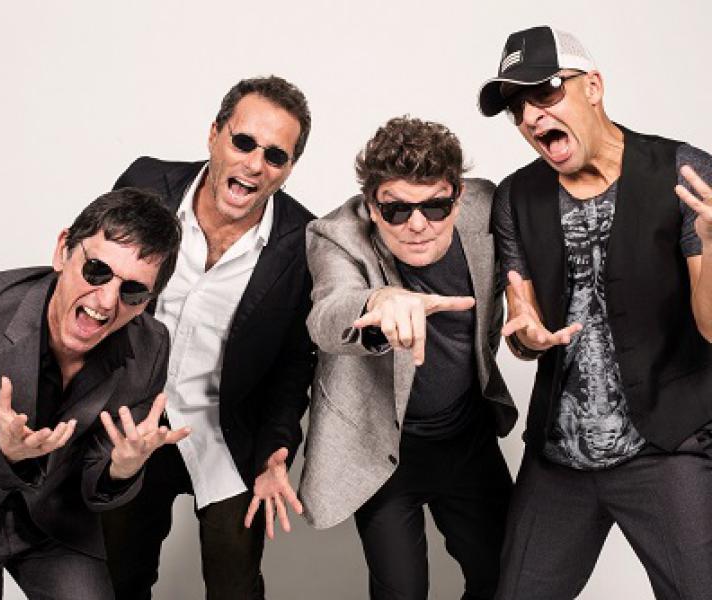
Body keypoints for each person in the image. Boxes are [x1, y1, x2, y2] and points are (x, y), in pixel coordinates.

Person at [478, 25, 712, 599]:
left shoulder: (683, 172)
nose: (531, 115)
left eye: (545, 91)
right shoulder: (516, 197)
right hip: (559, 458)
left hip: (665, 447)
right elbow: (524, 323)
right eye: (517, 107)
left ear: (593, 86)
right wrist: (527, 338)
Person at [0, 188, 186, 599]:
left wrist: (122, 468)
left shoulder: (151, 347)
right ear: (63, 251)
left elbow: (96, 475)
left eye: (132, 291)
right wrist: (5, 452)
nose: (106, 301)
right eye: (97, 270)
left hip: (52, 518)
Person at [101, 75, 316, 599]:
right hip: (131, 426)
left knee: (234, 587)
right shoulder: (146, 182)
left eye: (275, 155)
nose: (255, 164)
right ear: (215, 134)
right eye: (243, 142)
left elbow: (294, 362)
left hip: (226, 436)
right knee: (118, 581)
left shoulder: (301, 241)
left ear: (289, 168)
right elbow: (91, 282)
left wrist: (277, 450)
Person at [297, 116, 517, 600]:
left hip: (467, 437)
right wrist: (380, 302)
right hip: (383, 449)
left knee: (508, 578)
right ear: (371, 206)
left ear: (458, 196)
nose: (418, 225)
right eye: (396, 210)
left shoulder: (487, 207)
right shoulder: (337, 235)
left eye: (435, 206)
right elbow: (328, 314)